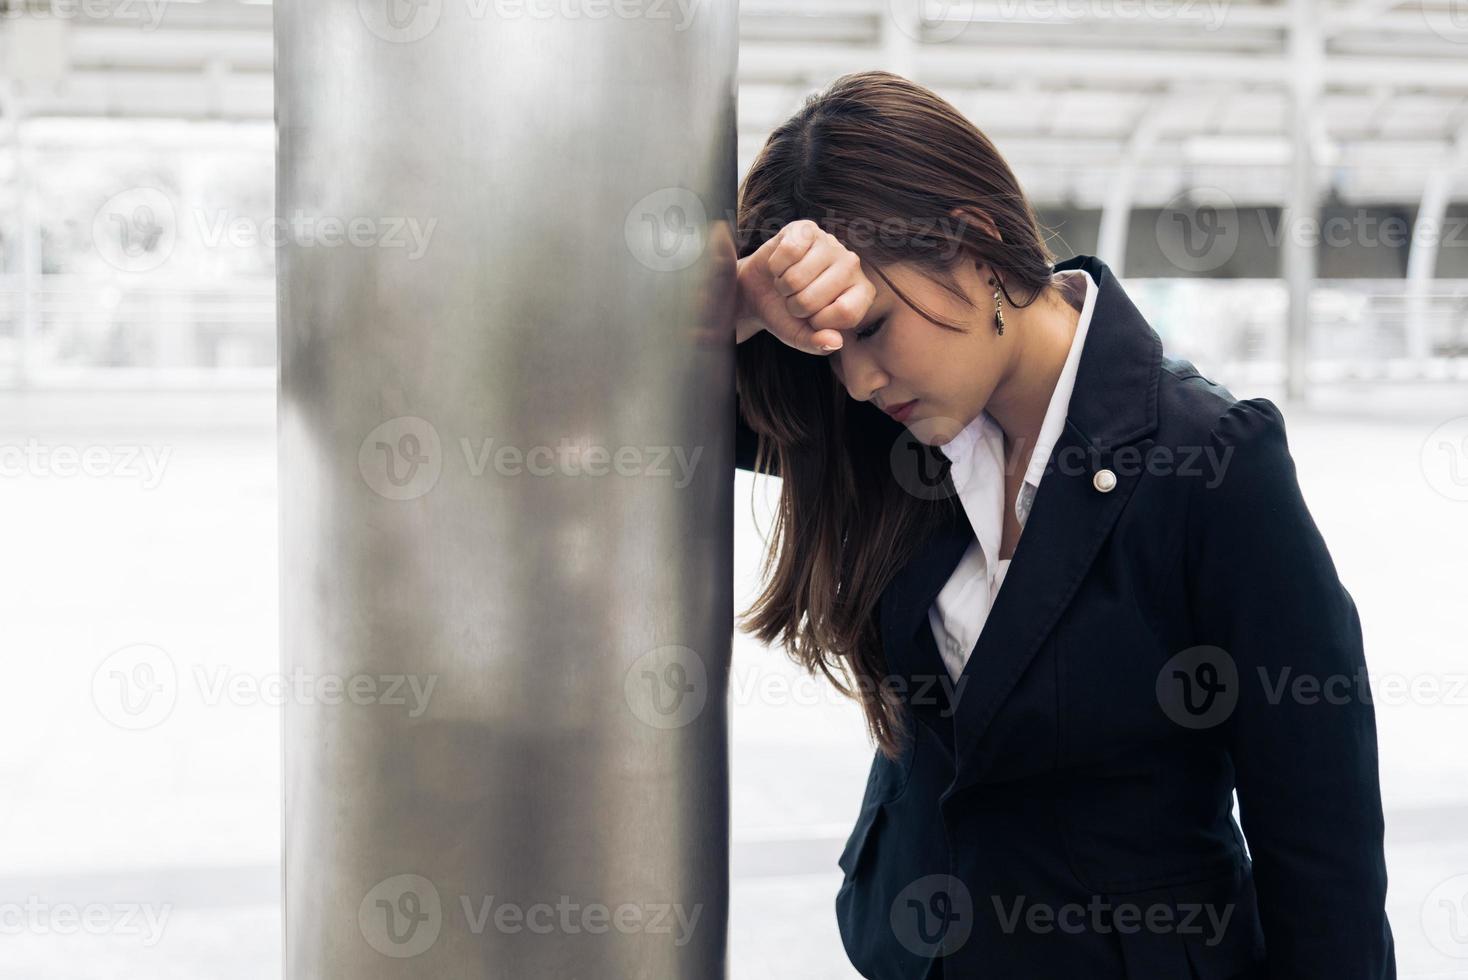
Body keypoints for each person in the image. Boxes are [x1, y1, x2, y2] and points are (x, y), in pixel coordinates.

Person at [731, 70, 1396, 980]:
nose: (854, 380)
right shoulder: (885, 424)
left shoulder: (1210, 463)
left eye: (874, 328)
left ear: (976, 240)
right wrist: (729, 306)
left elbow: (1323, 848)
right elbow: (594, 405)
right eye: (830, 347)